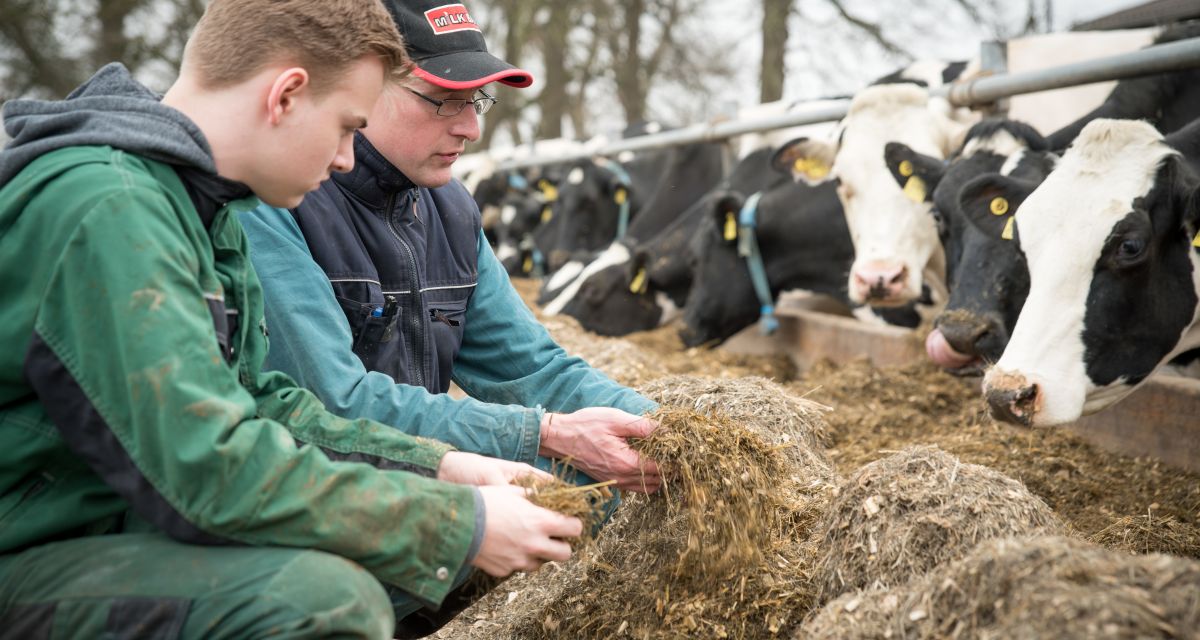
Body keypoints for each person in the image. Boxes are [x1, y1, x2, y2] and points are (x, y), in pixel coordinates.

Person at [0, 1, 583, 638]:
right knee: (322, 599)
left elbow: (264, 404)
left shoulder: (196, 207)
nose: (343, 159)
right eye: (344, 127)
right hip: (32, 551)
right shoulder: (112, 207)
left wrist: (441, 466)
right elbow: (207, 466)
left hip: (98, 529)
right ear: (286, 96)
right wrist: (455, 522)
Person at [239, 0, 663, 499]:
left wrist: (671, 430)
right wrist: (542, 433)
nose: (471, 128)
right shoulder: (276, 201)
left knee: (624, 492)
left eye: (477, 99)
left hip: (427, 474)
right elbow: (335, 404)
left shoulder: (450, 209)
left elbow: (531, 367)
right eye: (443, 98)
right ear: (362, 85)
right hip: (320, 494)